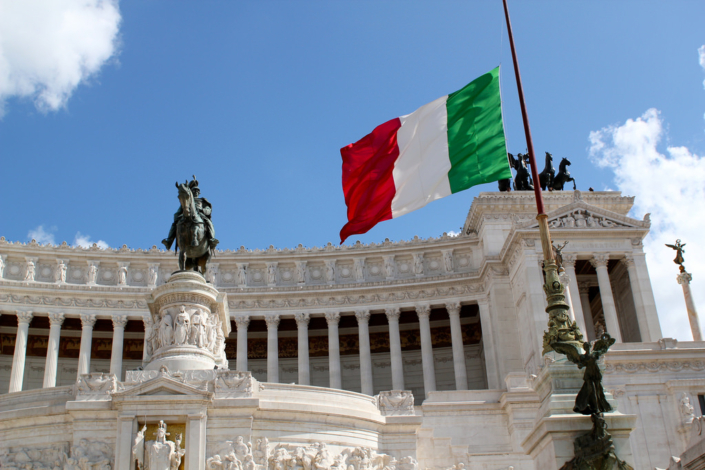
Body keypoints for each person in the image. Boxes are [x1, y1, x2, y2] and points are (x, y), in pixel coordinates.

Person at [162, 178, 218, 251]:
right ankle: (169, 240)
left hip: (200, 215)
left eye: (197, 191)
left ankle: (211, 239)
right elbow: (179, 211)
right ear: (191, 192)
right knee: (175, 224)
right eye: (194, 190)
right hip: (186, 214)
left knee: (209, 223)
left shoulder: (202, 200)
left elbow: (208, 210)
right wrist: (176, 217)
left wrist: (202, 210)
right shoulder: (187, 200)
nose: (196, 192)